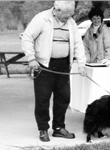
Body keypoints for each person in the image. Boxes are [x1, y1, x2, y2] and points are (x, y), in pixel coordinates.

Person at [21, 1, 86, 142]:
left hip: (63, 64)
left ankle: (58, 128)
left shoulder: (71, 22)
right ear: (57, 9)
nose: (69, 17)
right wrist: (31, 58)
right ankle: (43, 128)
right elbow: (27, 37)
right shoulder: (42, 18)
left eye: (71, 14)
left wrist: (81, 64)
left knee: (63, 98)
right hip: (43, 65)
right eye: (67, 14)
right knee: (43, 98)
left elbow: (78, 44)